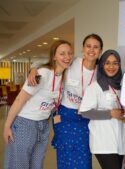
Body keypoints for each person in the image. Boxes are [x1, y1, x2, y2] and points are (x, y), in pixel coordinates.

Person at [28, 34, 103, 169]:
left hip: (85, 119)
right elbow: (47, 60)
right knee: (65, 155)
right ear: (82, 49)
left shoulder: (101, 72)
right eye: (88, 46)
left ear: (100, 51)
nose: (91, 50)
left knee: (83, 156)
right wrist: (34, 69)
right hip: (65, 117)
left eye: (96, 47)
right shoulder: (72, 62)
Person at [3, 40, 73, 169]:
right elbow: (19, 100)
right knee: (19, 164)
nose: (67, 57)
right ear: (54, 57)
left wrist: (34, 67)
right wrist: (7, 126)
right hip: (25, 123)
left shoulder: (63, 76)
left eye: (69, 53)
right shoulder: (42, 74)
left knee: (37, 164)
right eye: (62, 54)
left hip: (43, 125)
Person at [79, 49, 125, 169]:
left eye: (115, 63)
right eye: (107, 63)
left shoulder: (122, 87)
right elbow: (85, 112)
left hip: (120, 141)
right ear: (102, 65)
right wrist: (110, 113)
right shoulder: (95, 87)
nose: (111, 66)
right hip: (103, 142)